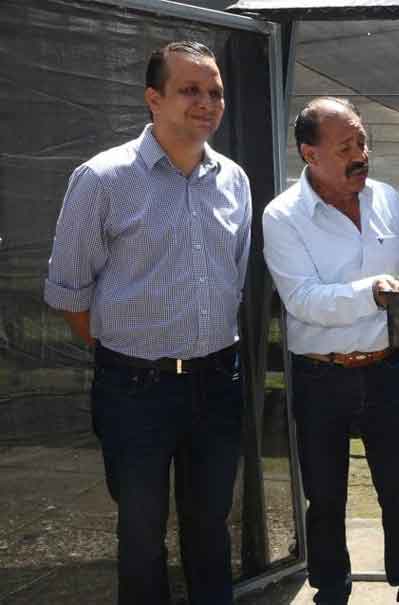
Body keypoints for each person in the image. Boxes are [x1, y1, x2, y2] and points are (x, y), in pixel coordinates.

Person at [43, 41, 250, 604]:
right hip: (135, 390)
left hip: (217, 383)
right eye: (190, 90)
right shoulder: (102, 179)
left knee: (211, 529)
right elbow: (68, 291)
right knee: (140, 535)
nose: (206, 103)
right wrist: (130, 352)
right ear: (153, 99)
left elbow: (232, 276)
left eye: (215, 93)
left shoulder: (233, 180)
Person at [261, 97, 399, 605]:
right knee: (326, 496)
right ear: (309, 154)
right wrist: (371, 293)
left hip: (384, 370)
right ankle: (331, 590)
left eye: (363, 142)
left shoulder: (387, 199)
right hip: (321, 376)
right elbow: (302, 300)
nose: (361, 154)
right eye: (346, 147)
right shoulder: (284, 216)